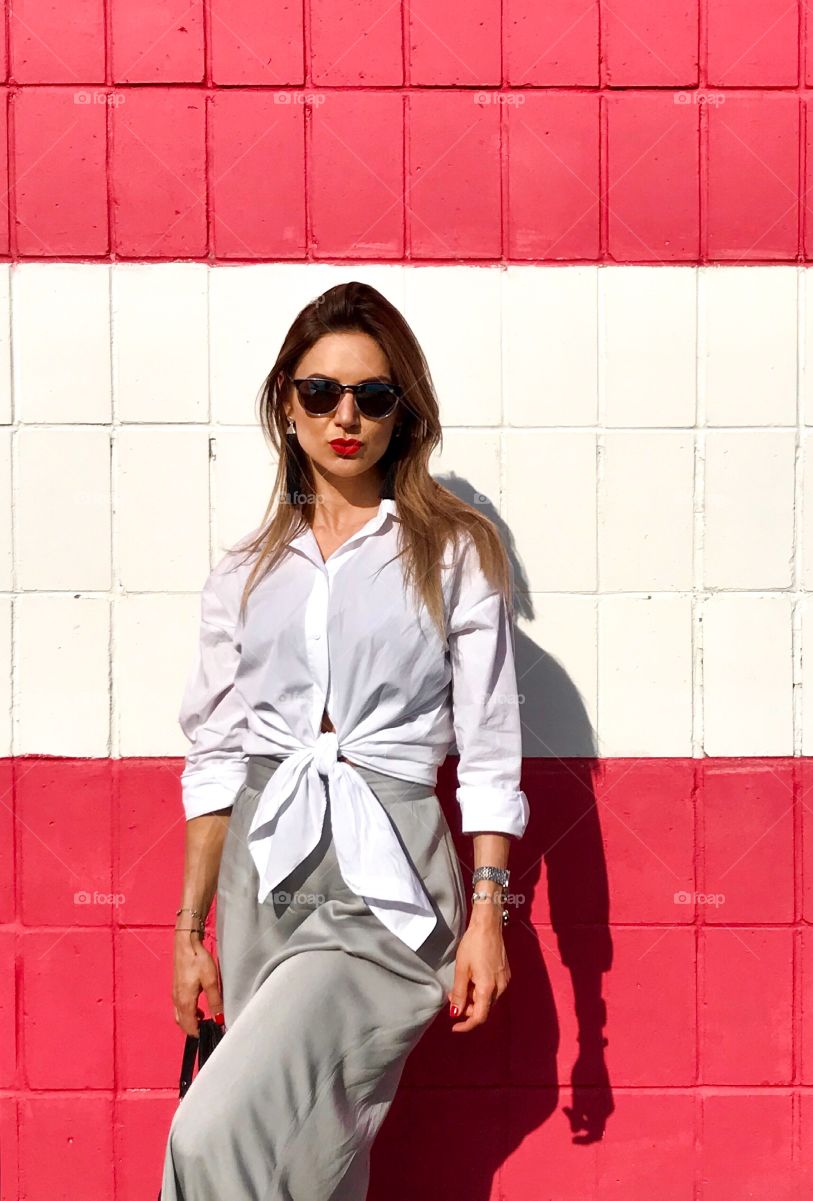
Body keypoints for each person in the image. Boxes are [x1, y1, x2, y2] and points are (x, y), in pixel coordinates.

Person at [158, 281, 529, 1199]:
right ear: (287, 404)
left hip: (390, 885)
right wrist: (189, 925)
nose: (346, 416)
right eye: (321, 393)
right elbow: (215, 755)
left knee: (211, 1138)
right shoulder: (244, 572)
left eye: (374, 394)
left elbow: (488, 748)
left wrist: (488, 913)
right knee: (314, 1163)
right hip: (264, 876)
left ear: (405, 411)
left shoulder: (454, 550)